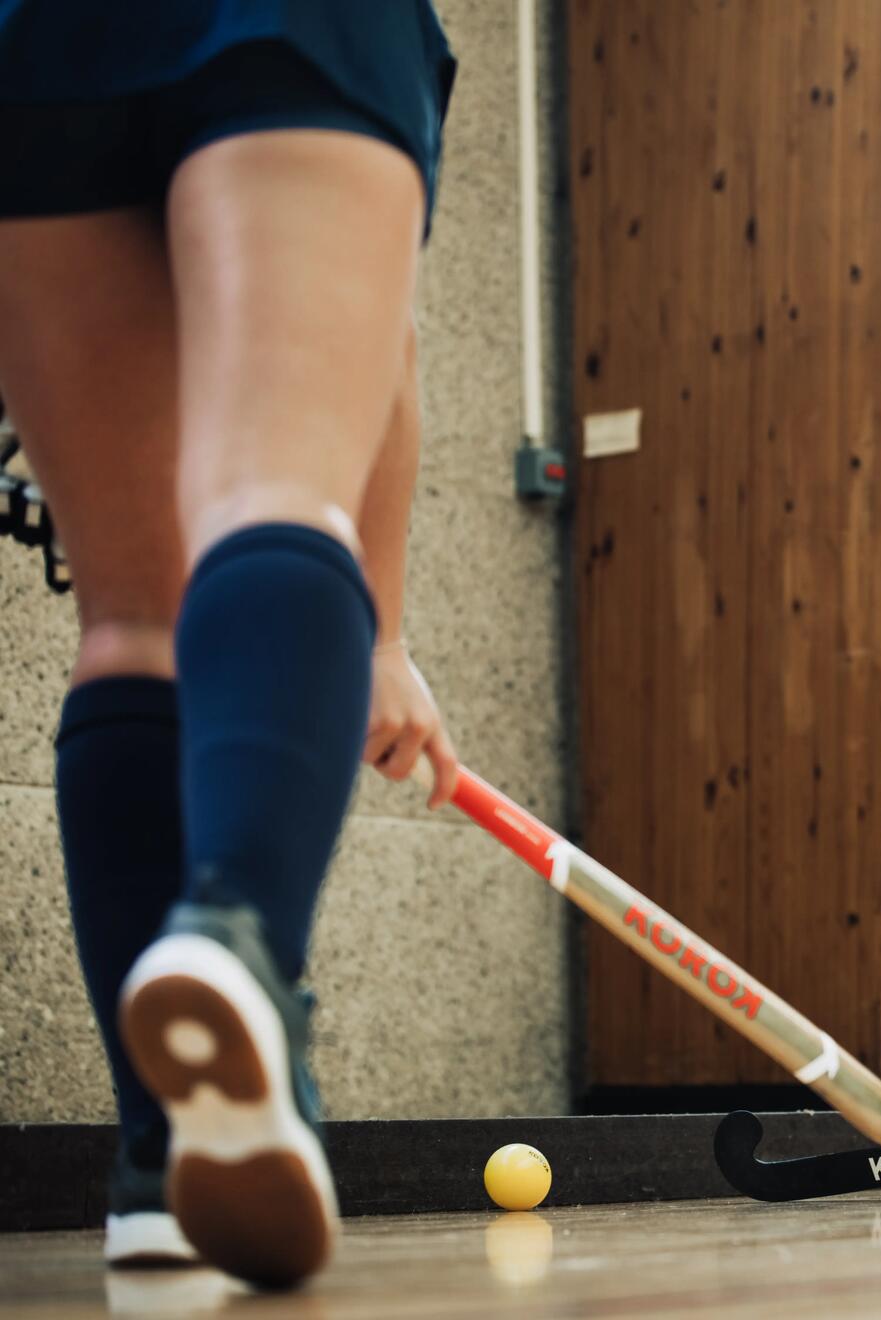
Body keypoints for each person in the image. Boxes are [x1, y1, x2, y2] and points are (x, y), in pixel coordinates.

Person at [0, 0, 460, 1286]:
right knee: (277, 492)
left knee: (131, 619)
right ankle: (236, 934)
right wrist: (378, 623)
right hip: (296, 28)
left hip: (39, 44)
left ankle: (160, 1165)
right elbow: (386, 359)